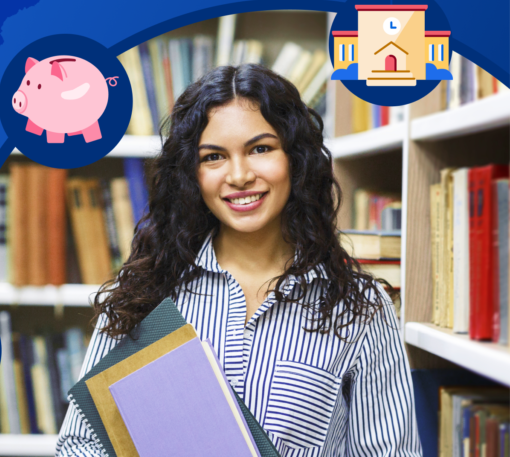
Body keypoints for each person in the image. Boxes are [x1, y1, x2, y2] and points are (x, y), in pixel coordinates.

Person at [55, 63, 421, 456]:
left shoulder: (360, 308)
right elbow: (79, 444)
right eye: (214, 157)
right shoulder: (142, 295)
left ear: (295, 159)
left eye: (260, 149)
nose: (240, 175)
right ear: (191, 174)